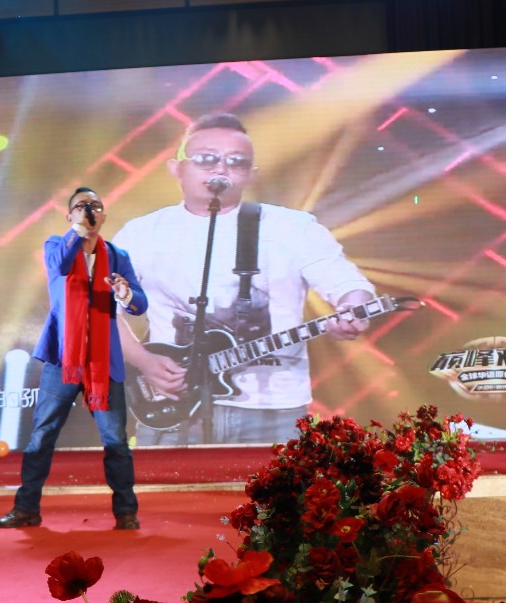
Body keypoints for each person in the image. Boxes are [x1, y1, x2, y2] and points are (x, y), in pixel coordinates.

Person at [111, 112, 378, 446]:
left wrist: (353, 308)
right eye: (206, 159)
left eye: (236, 162)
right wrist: (144, 361)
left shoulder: (293, 227)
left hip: (274, 409)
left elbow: (347, 284)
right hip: (173, 403)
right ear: (176, 168)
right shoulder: (141, 233)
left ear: (251, 174)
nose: (221, 169)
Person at [0, 186, 149, 531]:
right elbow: (59, 265)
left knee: (116, 441)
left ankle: (126, 512)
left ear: (104, 215)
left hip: (103, 362)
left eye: (96, 205)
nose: (90, 210)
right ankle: (26, 508)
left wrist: (126, 295)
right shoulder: (56, 245)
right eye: (81, 206)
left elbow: (140, 304)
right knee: (43, 435)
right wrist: (78, 230)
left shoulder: (118, 255)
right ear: (69, 216)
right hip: (63, 359)